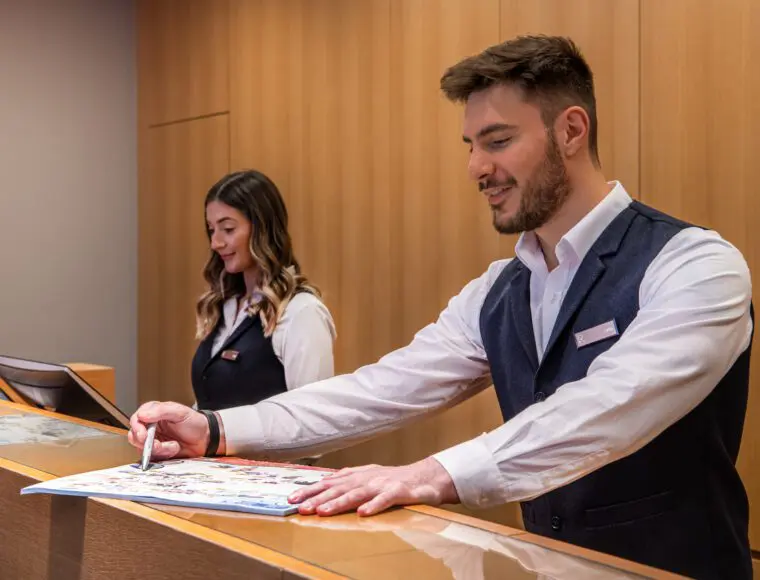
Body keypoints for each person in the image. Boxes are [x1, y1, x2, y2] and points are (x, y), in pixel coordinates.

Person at [129, 36, 753, 579]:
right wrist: (216, 429)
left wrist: (430, 473)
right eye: (470, 144)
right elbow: (382, 389)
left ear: (570, 130)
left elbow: (613, 404)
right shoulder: (497, 289)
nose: (477, 167)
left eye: (498, 141)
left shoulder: (695, 265)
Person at [190, 169, 336, 412]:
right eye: (211, 230)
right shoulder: (225, 307)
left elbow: (316, 420)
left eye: (228, 229)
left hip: (263, 452)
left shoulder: (302, 313)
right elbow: (213, 404)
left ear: (262, 230)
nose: (216, 243)